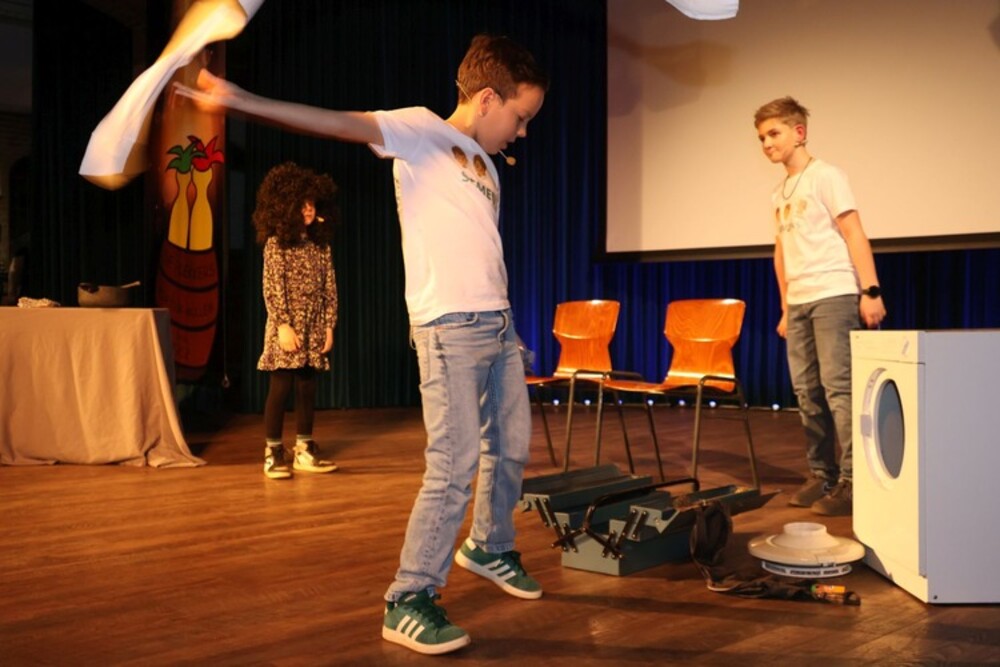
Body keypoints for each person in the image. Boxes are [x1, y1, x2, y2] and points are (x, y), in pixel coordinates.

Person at [178, 34, 549, 655]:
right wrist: (240, 99)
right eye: (521, 116)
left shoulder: (486, 165)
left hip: (498, 323)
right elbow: (336, 122)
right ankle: (409, 597)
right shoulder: (421, 131)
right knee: (454, 464)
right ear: (488, 99)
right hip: (448, 327)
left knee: (510, 447)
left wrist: (507, 326)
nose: (523, 131)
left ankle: (489, 545)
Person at [754, 96, 886, 517]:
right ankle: (821, 473)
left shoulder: (827, 176)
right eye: (761, 137)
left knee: (838, 390)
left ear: (799, 132)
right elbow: (781, 253)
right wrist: (785, 305)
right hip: (799, 301)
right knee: (806, 393)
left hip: (834, 294)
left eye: (774, 133)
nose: (767, 143)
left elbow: (853, 231)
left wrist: (870, 290)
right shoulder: (779, 191)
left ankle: (854, 480)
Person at [254, 161, 340, 480]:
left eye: (311, 204)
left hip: (314, 325)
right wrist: (283, 325)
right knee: (281, 386)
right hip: (286, 327)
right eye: (302, 204)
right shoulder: (276, 244)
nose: (308, 209)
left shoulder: (320, 246)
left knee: (307, 386)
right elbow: (272, 288)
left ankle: (304, 449)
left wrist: (329, 325)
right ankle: (273, 452)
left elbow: (330, 287)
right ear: (286, 207)